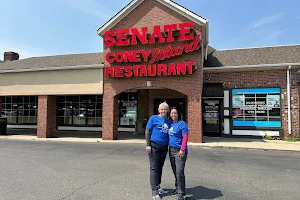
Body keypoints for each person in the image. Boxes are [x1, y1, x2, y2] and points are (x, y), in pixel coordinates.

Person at [145, 102, 171, 200]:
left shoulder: (168, 122)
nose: (163, 111)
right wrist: (148, 144)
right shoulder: (153, 118)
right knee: (154, 168)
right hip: (154, 145)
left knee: (160, 167)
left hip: (164, 147)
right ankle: (154, 191)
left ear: (167, 111)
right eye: (162, 109)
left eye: (165, 109)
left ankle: (158, 186)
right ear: (159, 110)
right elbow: (147, 131)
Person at [168, 107, 189, 200]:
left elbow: (185, 137)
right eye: (172, 113)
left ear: (178, 114)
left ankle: (182, 193)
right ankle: (177, 188)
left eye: (175, 113)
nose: (173, 115)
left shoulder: (182, 124)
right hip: (171, 150)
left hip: (179, 151)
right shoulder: (170, 124)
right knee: (175, 171)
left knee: (179, 172)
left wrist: (182, 149)